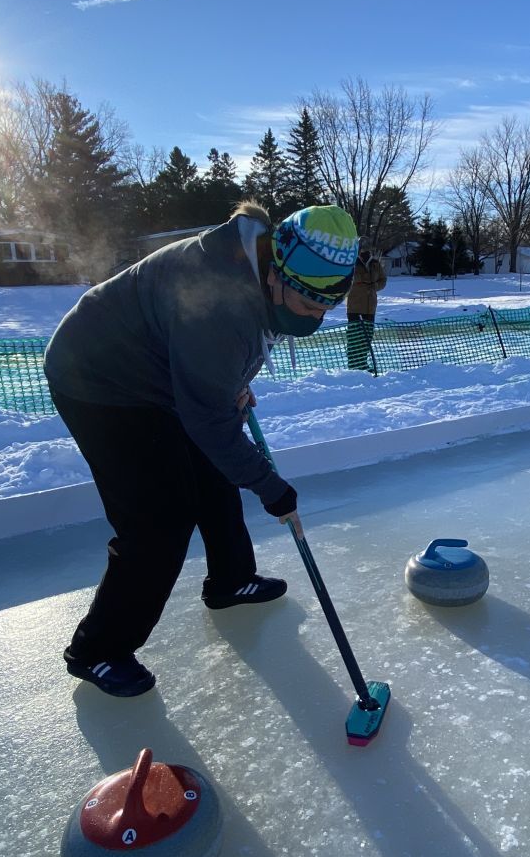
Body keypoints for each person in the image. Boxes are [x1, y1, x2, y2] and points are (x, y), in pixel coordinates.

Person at [43, 201, 359, 697]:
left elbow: (228, 359)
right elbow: (209, 418)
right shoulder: (219, 298)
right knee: (160, 517)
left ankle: (231, 580)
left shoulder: (260, 270)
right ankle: (97, 649)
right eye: (307, 304)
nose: (316, 317)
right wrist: (271, 487)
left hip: (157, 370)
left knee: (212, 474)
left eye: (325, 307)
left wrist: (227, 381)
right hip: (100, 379)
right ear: (277, 274)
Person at [345, 245, 388, 369]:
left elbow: (383, 280)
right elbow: (347, 279)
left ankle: (363, 362)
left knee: (367, 337)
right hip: (355, 306)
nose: (365, 250)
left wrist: (375, 286)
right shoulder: (352, 262)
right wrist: (363, 282)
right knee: (354, 337)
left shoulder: (375, 263)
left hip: (370, 307)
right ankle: (353, 363)